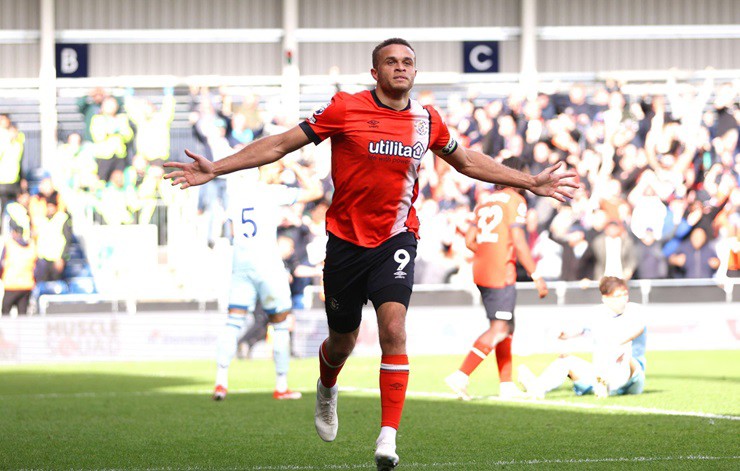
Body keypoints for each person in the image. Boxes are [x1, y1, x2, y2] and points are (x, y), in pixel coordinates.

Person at [164, 38, 576, 471]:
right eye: (391, 62)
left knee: (394, 328)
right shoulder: (344, 108)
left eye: (408, 62)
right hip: (344, 242)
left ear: (415, 72)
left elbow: (468, 162)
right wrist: (218, 167)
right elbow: (282, 144)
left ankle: (388, 436)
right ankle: (327, 386)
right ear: (374, 72)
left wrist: (529, 182)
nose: (401, 68)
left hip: (396, 240)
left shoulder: (428, 120)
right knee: (341, 340)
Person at [212, 159, 323, 401]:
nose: (282, 174)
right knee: (281, 323)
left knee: (233, 323)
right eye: (279, 170)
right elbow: (316, 191)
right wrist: (295, 166)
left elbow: (230, 229)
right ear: (268, 169)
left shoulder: (238, 194)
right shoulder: (273, 192)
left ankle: (221, 383)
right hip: (267, 264)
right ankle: (281, 386)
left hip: (240, 264)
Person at [445, 157, 549, 401]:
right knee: (500, 327)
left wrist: (488, 252)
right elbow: (520, 242)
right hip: (500, 272)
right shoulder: (516, 201)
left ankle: (506, 385)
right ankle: (461, 375)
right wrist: (535, 274)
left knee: (506, 327)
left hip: (481, 270)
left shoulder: (485, 202)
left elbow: (470, 240)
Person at [517, 276, 647, 399]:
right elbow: (579, 329)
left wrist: (615, 344)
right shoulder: (596, 314)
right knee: (565, 360)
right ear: (605, 298)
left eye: (625, 294)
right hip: (602, 371)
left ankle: (603, 382)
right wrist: (563, 334)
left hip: (632, 376)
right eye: (618, 296)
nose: (623, 299)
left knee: (621, 350)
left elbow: (638, 328)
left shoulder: (634, 310)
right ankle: (537, 388)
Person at [0, 221, 37, 315]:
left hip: (11, 284)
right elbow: (38, 267)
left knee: (5, 312)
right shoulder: (31, 246)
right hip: (26, 285)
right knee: (22, 314)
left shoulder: (9, 245)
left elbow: (1, 264)